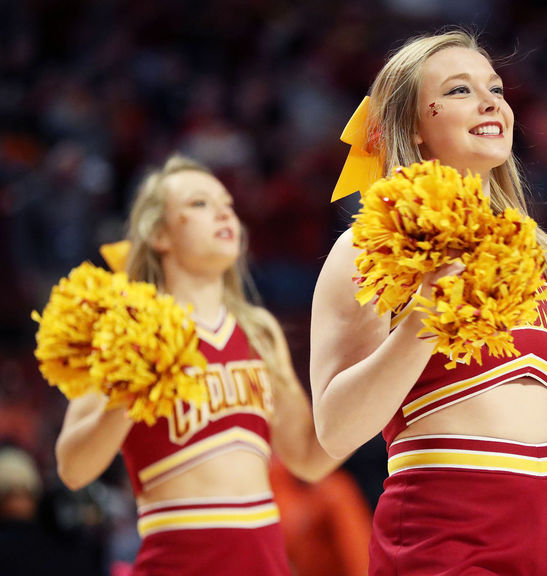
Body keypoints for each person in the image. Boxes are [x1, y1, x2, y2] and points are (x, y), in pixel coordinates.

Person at [310, 29, 547, 574]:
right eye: (458, 90)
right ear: (415, 130)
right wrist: (426, 317)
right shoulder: (369, 246)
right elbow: (335, 430)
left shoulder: (540, 259)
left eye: (495, 86)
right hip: (441, 534)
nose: (491, 100)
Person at [55, 153, 340, 575]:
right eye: (199, 204)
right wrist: (128, 389)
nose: (224, 211)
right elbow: (73, 469)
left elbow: (307, 458)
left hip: (265, 558)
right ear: (158, 234)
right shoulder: (123, 325)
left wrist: (374, 383)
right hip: (176, 559)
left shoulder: (259, 330)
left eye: (227, 203)